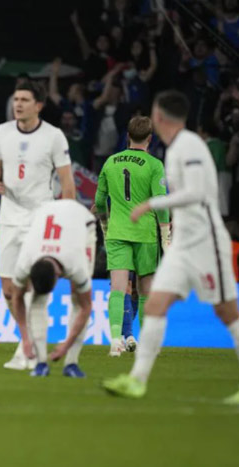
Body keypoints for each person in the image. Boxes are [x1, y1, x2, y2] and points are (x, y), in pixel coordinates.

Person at [104, 91, 239, 405]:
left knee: (227, 312)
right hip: (183, 244)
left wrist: (151, 204)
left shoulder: (189, 145)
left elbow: (196, 192)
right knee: (155, 304)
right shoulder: (171, 151)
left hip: (207, 243)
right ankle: (137, 380)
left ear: (159, 117)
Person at [0, 80, 76, 370]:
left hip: (41, 219)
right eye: (16, 99)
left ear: (39, 105)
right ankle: (28, 342)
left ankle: (27, 349)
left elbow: (67, 184)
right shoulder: (2, 132)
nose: (18, 104)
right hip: (9, 218)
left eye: (24, 100)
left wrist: (68, 222)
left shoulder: (54, 136)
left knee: (35, 285)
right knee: (9, 290)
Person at [94, 116, 170, 356]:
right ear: (150, 138)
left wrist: (105, 224)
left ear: (127, 136)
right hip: (145, 233)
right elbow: (160, 202)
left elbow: (99, 201)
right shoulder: (154, 165)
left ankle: (116, 341)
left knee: (118, 288)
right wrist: (165, 234)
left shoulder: (110, 162)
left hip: (117, 231)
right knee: (145, 290)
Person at [9, 199, 96, 377]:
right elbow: (16, 297)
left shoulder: (76, 264)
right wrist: (25, 338)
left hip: (82, 222)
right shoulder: (25, 261)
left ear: (58, 275)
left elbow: (86, 306)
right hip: (45, 213)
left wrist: (66, 345)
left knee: (78, 299)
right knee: (37, 300)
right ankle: (41, 363)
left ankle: (71, 363)